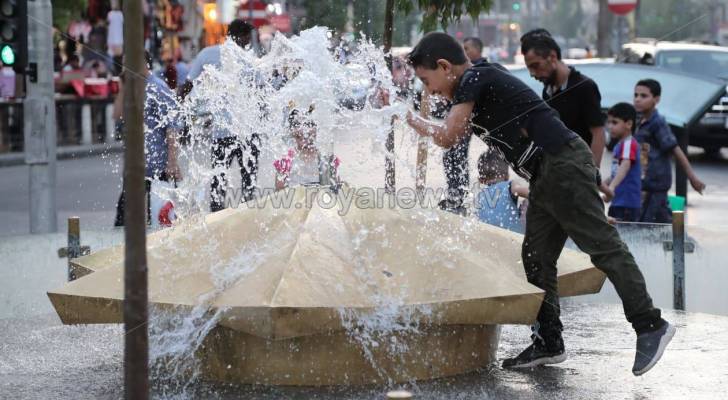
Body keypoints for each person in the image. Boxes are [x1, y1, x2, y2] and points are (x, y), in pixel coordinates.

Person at [405, 32, 673, 375]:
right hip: (545, 173)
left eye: (428, 81)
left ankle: (650, 325)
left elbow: (448, 136)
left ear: (444, 66)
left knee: (603, 247)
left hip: (561, 163)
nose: (430, 91)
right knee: (536, 258)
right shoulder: (480, 76)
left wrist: (410, 118)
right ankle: (549, 340)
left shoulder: (473, 77)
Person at [182, 19, 260, 211]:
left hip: (222, 133)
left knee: (219, 181)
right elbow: (260, 92)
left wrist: (181, 105)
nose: (248, 43)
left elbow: (188, 85)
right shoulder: (250, 60)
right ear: (241, 37)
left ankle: (217, 218)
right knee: (249, 183)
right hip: (248, 132)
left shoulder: (207, 54)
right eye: (247, 39)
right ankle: (247, 220)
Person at [520, 30, 606, 167]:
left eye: (536, 66)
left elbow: (598, 133)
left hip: (580, 171)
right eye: (529, 68)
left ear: (552, 57)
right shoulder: (547, 91)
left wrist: (592, 173)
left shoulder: (585, 86)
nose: (532, 74)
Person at [114, 52, 181, 226]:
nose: (125, 69)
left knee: (158, 219)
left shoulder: (158, 88)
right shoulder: (130, 88)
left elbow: (172, 126)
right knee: (124, 219)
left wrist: (172, 161)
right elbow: (117, 115)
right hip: (135, 166)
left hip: (157, 165)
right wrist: (123, 86)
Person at [633, 79, 705, 223]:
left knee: (656, 223)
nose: (638, 99)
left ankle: (686, 243)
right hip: (645, 183)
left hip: (657, 183)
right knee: (650, 221)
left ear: (656, 99)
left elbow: (675, 150)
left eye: (643, 96)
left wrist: (692, 178)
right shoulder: (639, 121)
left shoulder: (657, 123)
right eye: (636, 95)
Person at [273, 107, 340, 190]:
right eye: (297, 125)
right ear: (293, 134)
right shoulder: (286, 160)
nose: (305, 141)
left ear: (315, 130)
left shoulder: (326, 159)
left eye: (309, 124)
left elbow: (336, 189)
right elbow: (280, 193)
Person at [603, 103, 641, 222]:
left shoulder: (628, 144)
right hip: (619, 201)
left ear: (629, 124)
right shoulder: (620, 145)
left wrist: (611, 188)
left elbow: (625, 166)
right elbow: (617, 172)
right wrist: (604, 184)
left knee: (622, 235)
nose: (610, 126)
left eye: (614, 122)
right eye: (608, 122)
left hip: (626, 203)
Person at [476, 148, 529, 233]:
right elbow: (529, 193)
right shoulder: (510, 185)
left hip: (485, 236)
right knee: (529, 201)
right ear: (507, 175)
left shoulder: (479, 196)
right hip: (512, 237)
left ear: (481, 180)